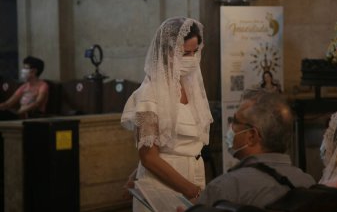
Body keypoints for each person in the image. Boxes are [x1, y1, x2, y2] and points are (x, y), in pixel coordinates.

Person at [121, 17, 213, 211]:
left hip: (194, 174)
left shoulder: (192, 88)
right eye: (184, 53)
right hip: (163, 184)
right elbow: (149, 157)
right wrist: (191, 190)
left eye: (194, 52)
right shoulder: (150, 93)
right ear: (166, 52)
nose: (190, 59)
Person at [195, 92, 315, 209]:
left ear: (252, 136)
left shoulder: (223, 189)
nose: (230, 126)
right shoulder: (308, 183)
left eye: (235, 121)